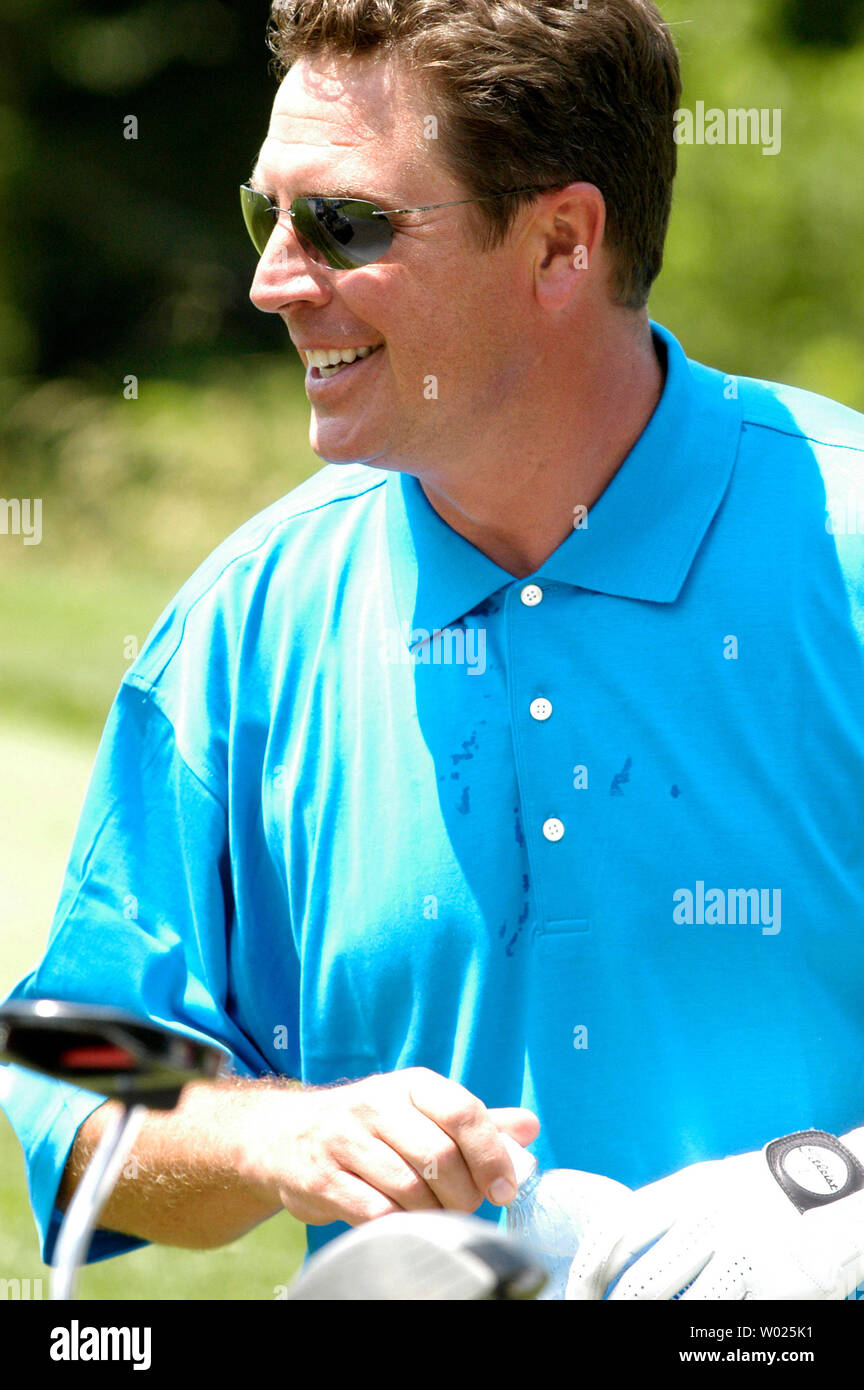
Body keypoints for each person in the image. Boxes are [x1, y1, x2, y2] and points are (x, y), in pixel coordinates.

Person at [3, 0, 864, 1300]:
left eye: (343, 223)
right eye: (264, 216)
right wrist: (274, 1130)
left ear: (564, 241)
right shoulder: (244, 623)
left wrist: (820, 1202)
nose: (273, 278)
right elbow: (69, 1080)